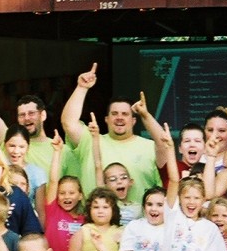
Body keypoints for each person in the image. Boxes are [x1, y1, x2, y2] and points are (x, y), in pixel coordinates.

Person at [61, 63, 160, 204]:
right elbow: (68, 123)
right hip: (94, 224)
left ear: (133, 121)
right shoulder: (91, 140)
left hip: (140, 223)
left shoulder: (150, 147)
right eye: (114, 114)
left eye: (125, 114)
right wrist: (82, 88)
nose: (119, 117)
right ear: (106, 120)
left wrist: (146, 115)